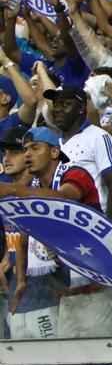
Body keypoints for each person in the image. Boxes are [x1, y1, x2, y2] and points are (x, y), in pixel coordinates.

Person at [4, 127, 112, 338]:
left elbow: (63, 198)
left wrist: (13, 189)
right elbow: (24, 234)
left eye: (35, 148)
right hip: (68, 292)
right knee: (65, 359)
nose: (27, 154)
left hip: (95, 286)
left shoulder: (75, 173)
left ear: (54, 152)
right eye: (25, 149)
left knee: (97, 355)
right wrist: (21, 279)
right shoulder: (35, 185)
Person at [0, 126, 57, 340]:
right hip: (16, 292)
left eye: (14, 152)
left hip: (45, 291)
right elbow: (12, 237)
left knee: (51, 360)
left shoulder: (41, 191)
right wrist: (6, 257)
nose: (7, 158)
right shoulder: (6, 196)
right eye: (4, 152)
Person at [45, 87, 112, 222]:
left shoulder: (98, 136)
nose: (57, 109)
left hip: (92, 221)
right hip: (61, 221)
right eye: (56, 104)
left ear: (81, 108)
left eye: (65, 104)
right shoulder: (52, 143)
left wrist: (110, 226)